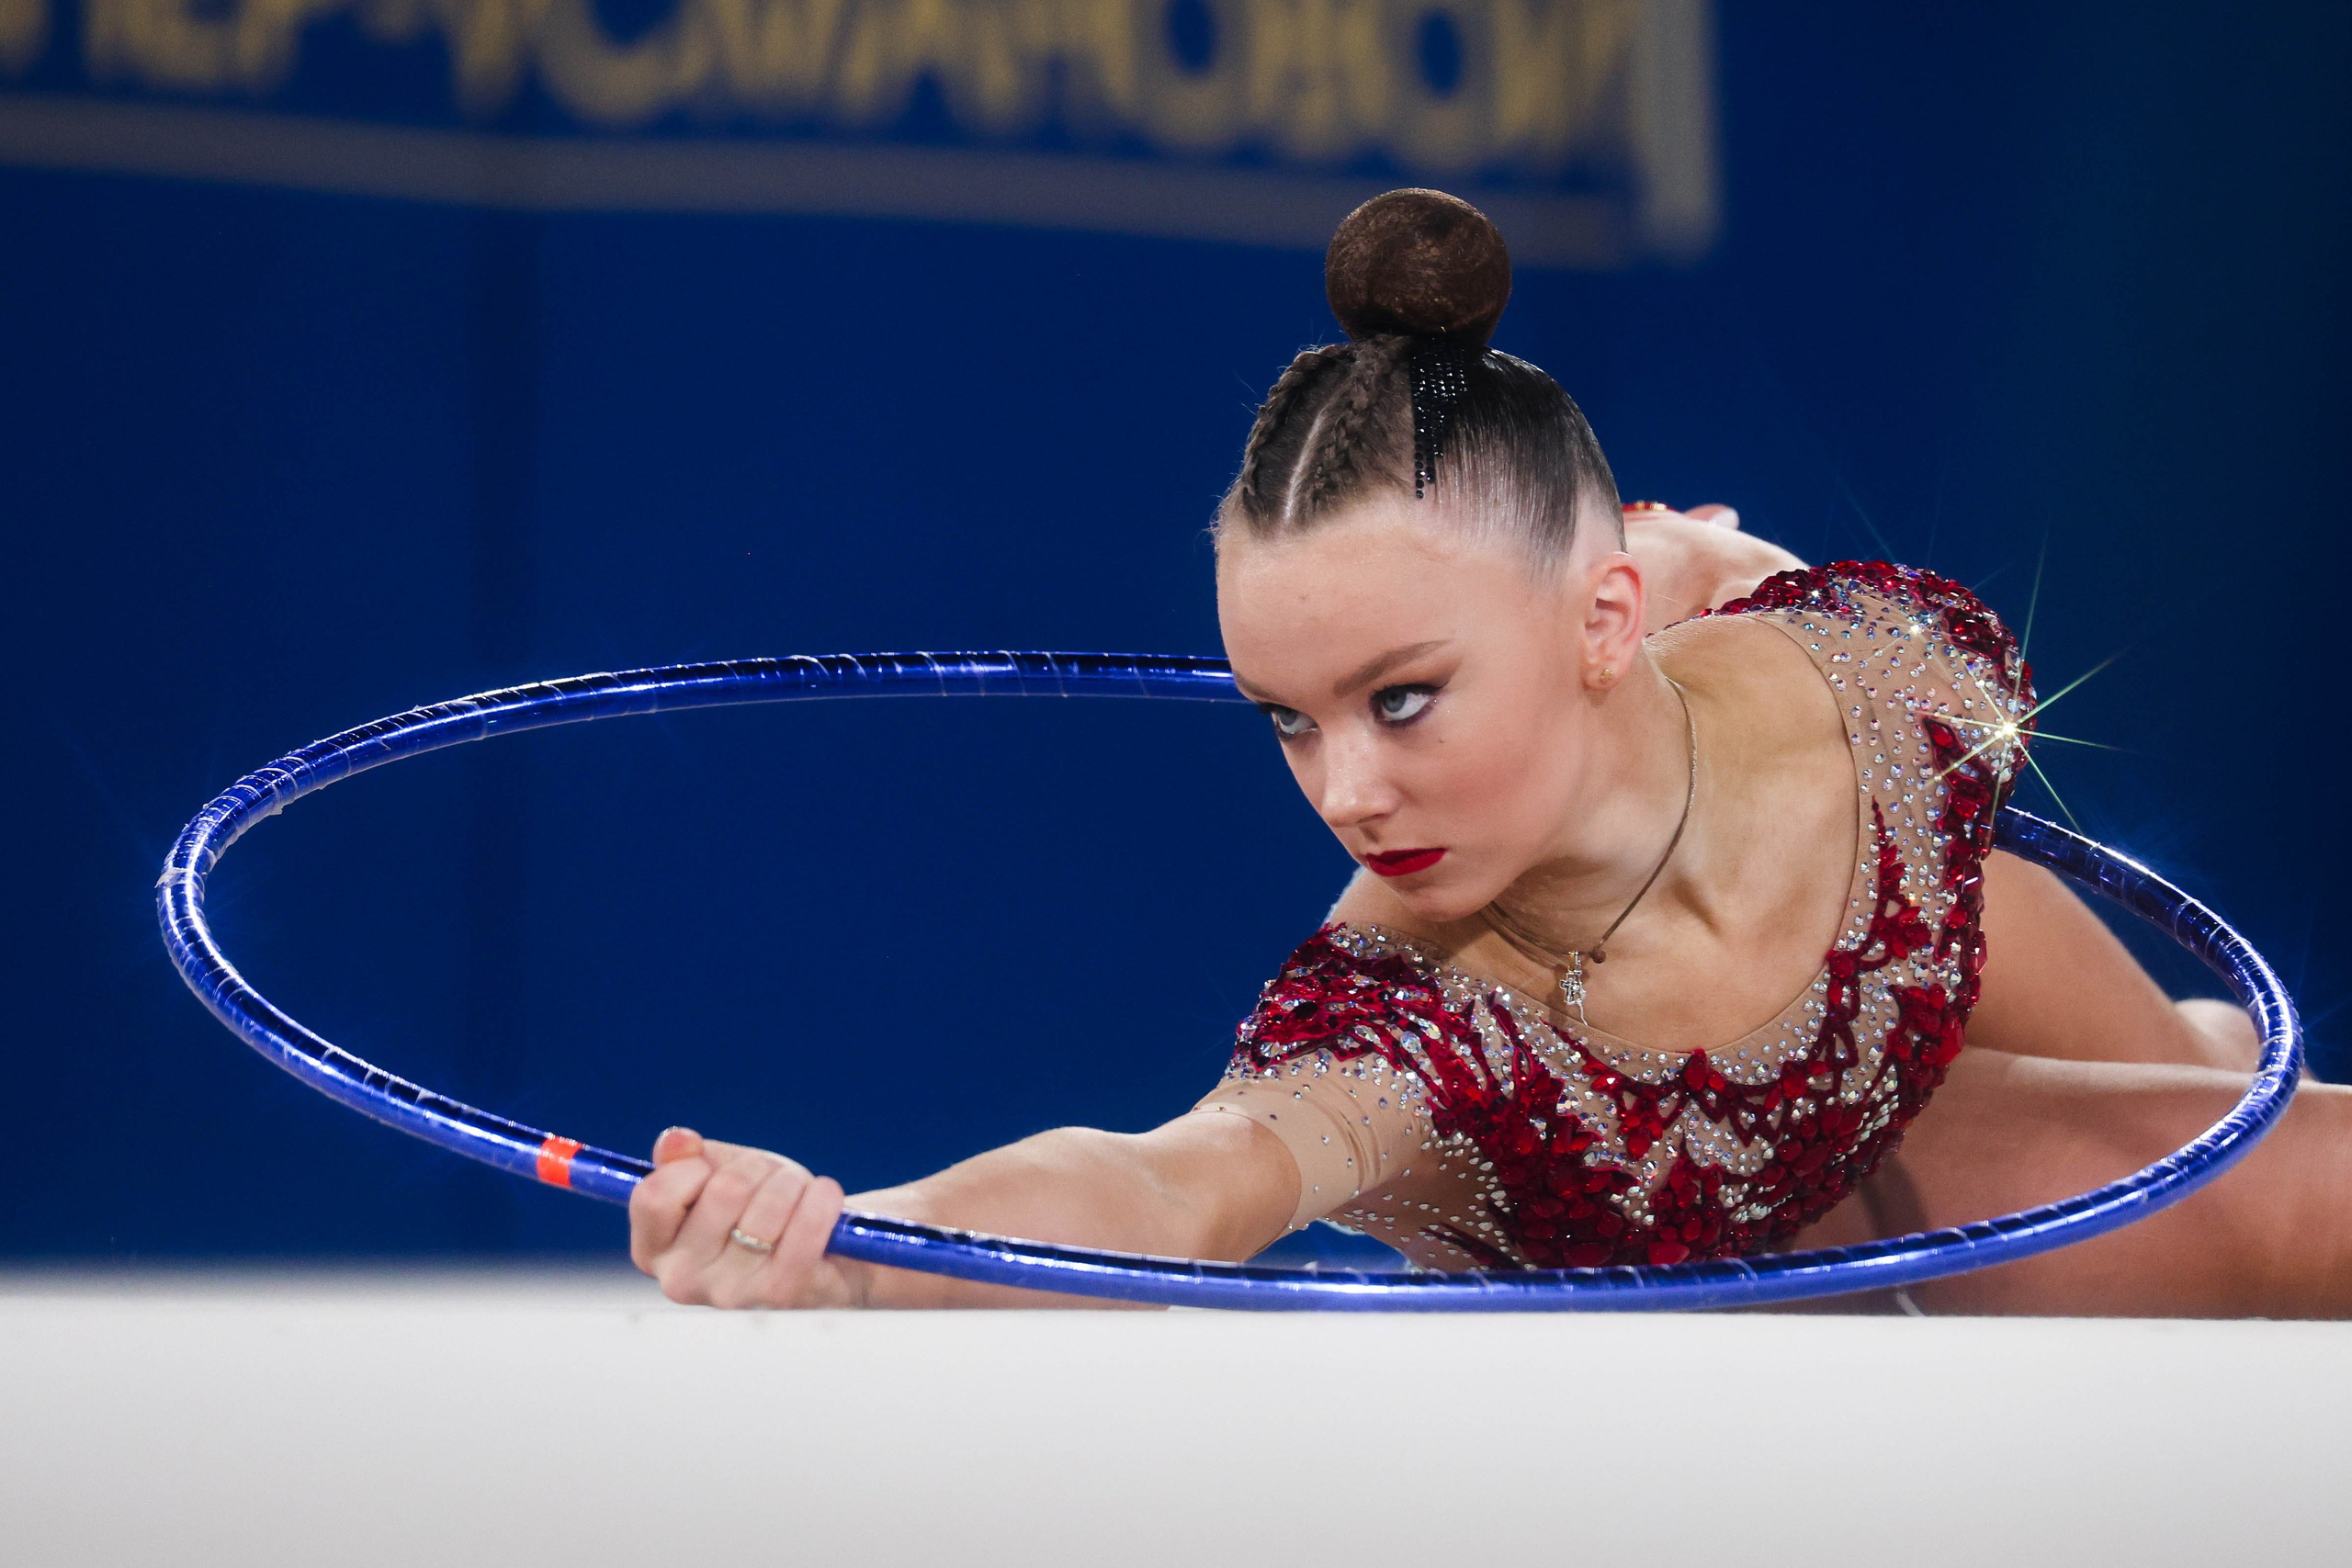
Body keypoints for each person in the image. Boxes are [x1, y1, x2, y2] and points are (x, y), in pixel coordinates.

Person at [630, 190, 2351, 1318]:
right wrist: (855, 1250)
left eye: (1400, 699)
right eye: (1288, 718)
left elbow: (1695, 575)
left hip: (1900, 1015)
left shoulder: (1865, 670)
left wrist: (1689, 570)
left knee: (2248, 1115)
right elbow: (1169, 1183)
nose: (1344, 792)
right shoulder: (1407, 1018)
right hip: (1777, 1235)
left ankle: (2193, 1045)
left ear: (1605, 627)